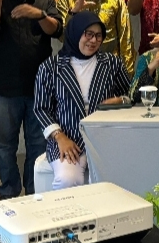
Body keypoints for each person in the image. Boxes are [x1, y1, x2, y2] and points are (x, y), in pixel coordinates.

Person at [0, 0, 63, 199]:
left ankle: (34, 192)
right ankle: (9, 191)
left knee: (38, 144)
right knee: (5, 146)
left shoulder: (44, 0)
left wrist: (38, 14)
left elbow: (56, 30)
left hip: (40, 88)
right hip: (5, 89)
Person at [33, 12, 131, 190]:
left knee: (107, 185)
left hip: (104, 140)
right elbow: (41, 108)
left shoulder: (112, 63)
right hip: (67, 139)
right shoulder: (51, 67)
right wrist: (60, 137)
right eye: (88, 34)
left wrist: (121, 100)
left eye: (98, 36)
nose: (93, 40)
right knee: (67, 180)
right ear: (76, 32)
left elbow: (130, 95)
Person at [55, 0, 135, 77]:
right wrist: (74, 12)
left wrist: (127, 73)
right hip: (76, 68)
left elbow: (125, 37)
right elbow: (62, 37)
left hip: (109, 68)